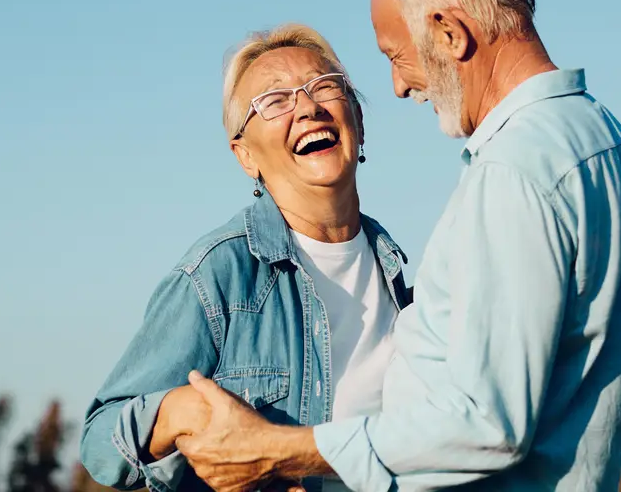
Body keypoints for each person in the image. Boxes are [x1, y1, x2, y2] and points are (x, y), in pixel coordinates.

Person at [172, 0, 621, 491]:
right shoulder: (606, 138)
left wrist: (279, 450)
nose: (398, 86)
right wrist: (533, 383)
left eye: (395, 55)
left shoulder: (511, 172)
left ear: (450, 33)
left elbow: (488, 425)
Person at [78, 24, 414, 492]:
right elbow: (100, 438)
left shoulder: (399, 275)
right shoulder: (217, 273)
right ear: (244, 155)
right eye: (275, 102)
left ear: (357, 118)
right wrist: (183, 410)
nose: (308, 107)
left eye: (324, 86)